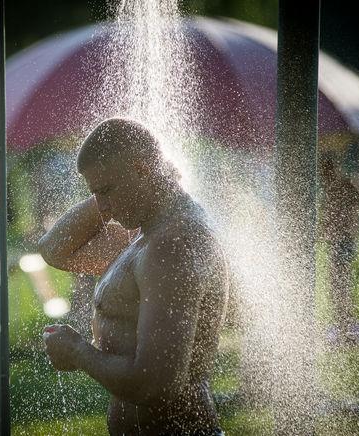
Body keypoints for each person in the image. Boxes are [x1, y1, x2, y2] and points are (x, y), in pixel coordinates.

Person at [38, 117, 231, 435]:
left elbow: (154, 384)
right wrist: (107, 190)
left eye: (106, 191)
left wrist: (77, 352)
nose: (103, 208)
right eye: (95, 194)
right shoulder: (143, 235)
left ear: (142, 169)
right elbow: (54, 249)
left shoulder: (172, 245)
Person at [319, 152, 359, 346]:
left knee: (340, 283)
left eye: (325, 170)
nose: (323, 176)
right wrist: (322, 233)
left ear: (333, 167)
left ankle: (347, 326)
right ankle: (343, 324)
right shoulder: (328, 187)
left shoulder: (349, 181)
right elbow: (329, 215)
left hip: (346, 240)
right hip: (336, 241)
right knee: (337, 284)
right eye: (322, 172)